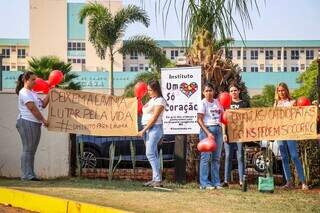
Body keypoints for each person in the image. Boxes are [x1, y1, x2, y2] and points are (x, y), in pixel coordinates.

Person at [15, 71, 49, 181]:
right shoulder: (24, 92)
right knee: (28, 149)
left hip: (34, 123)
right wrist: (44, 120)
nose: (35, 82)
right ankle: (26, 175)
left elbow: (42, 105)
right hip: (26, 122)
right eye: (33, 80)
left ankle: (30, 174)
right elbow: (32, 109)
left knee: (31, 150)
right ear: (25, 80)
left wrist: (50, 94)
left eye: (36, 79)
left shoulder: (33, 92)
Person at [274, 82, 309, 190]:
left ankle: (303, 182)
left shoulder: (293, 102)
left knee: (294, 156)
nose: (281, 92)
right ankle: (289, 182)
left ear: (286, 91)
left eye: (283, 90)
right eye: (279, 90)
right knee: (284, 157)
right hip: (280, 133)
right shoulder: (276, 104)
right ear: (277, 92)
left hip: (291, 132)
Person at [197, 83, 226, 190]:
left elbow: (223, 117)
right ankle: (204, 183)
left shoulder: (218, 102)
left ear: (214, 92)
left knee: (216, 158)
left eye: (210, 90)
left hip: (218, 130)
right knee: (205, 158)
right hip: (207, 131)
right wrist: (208, 133)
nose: (209, 93)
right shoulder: (202, 103)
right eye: (207, 91)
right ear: (203, 92)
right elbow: (199, 120)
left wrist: (223, 132)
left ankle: (216, 182)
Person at [138, 80, 166, 187]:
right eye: (148, 90)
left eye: (150, 90)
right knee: (153, 154)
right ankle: (155, 178)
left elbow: (154, 118)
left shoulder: (160, 100)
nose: (148, 92)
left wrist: (143, 131)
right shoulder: (151, 100)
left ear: (156, 90)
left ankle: (158, 179)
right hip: (147, 128)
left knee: (149, 153)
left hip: (154, 128)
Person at [222, 84, 249, 187]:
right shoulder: (226, 104)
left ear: (239, 91)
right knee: (228, 156)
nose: (234, 92)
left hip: (240, 134)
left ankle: (242, 181)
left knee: (240, 156)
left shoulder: (244, 103)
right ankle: (226, 180)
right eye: (232, 91)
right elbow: (223, 120)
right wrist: (224, 133)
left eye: (235, 90)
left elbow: (249, 119)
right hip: (228, 133)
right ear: (229, 93)